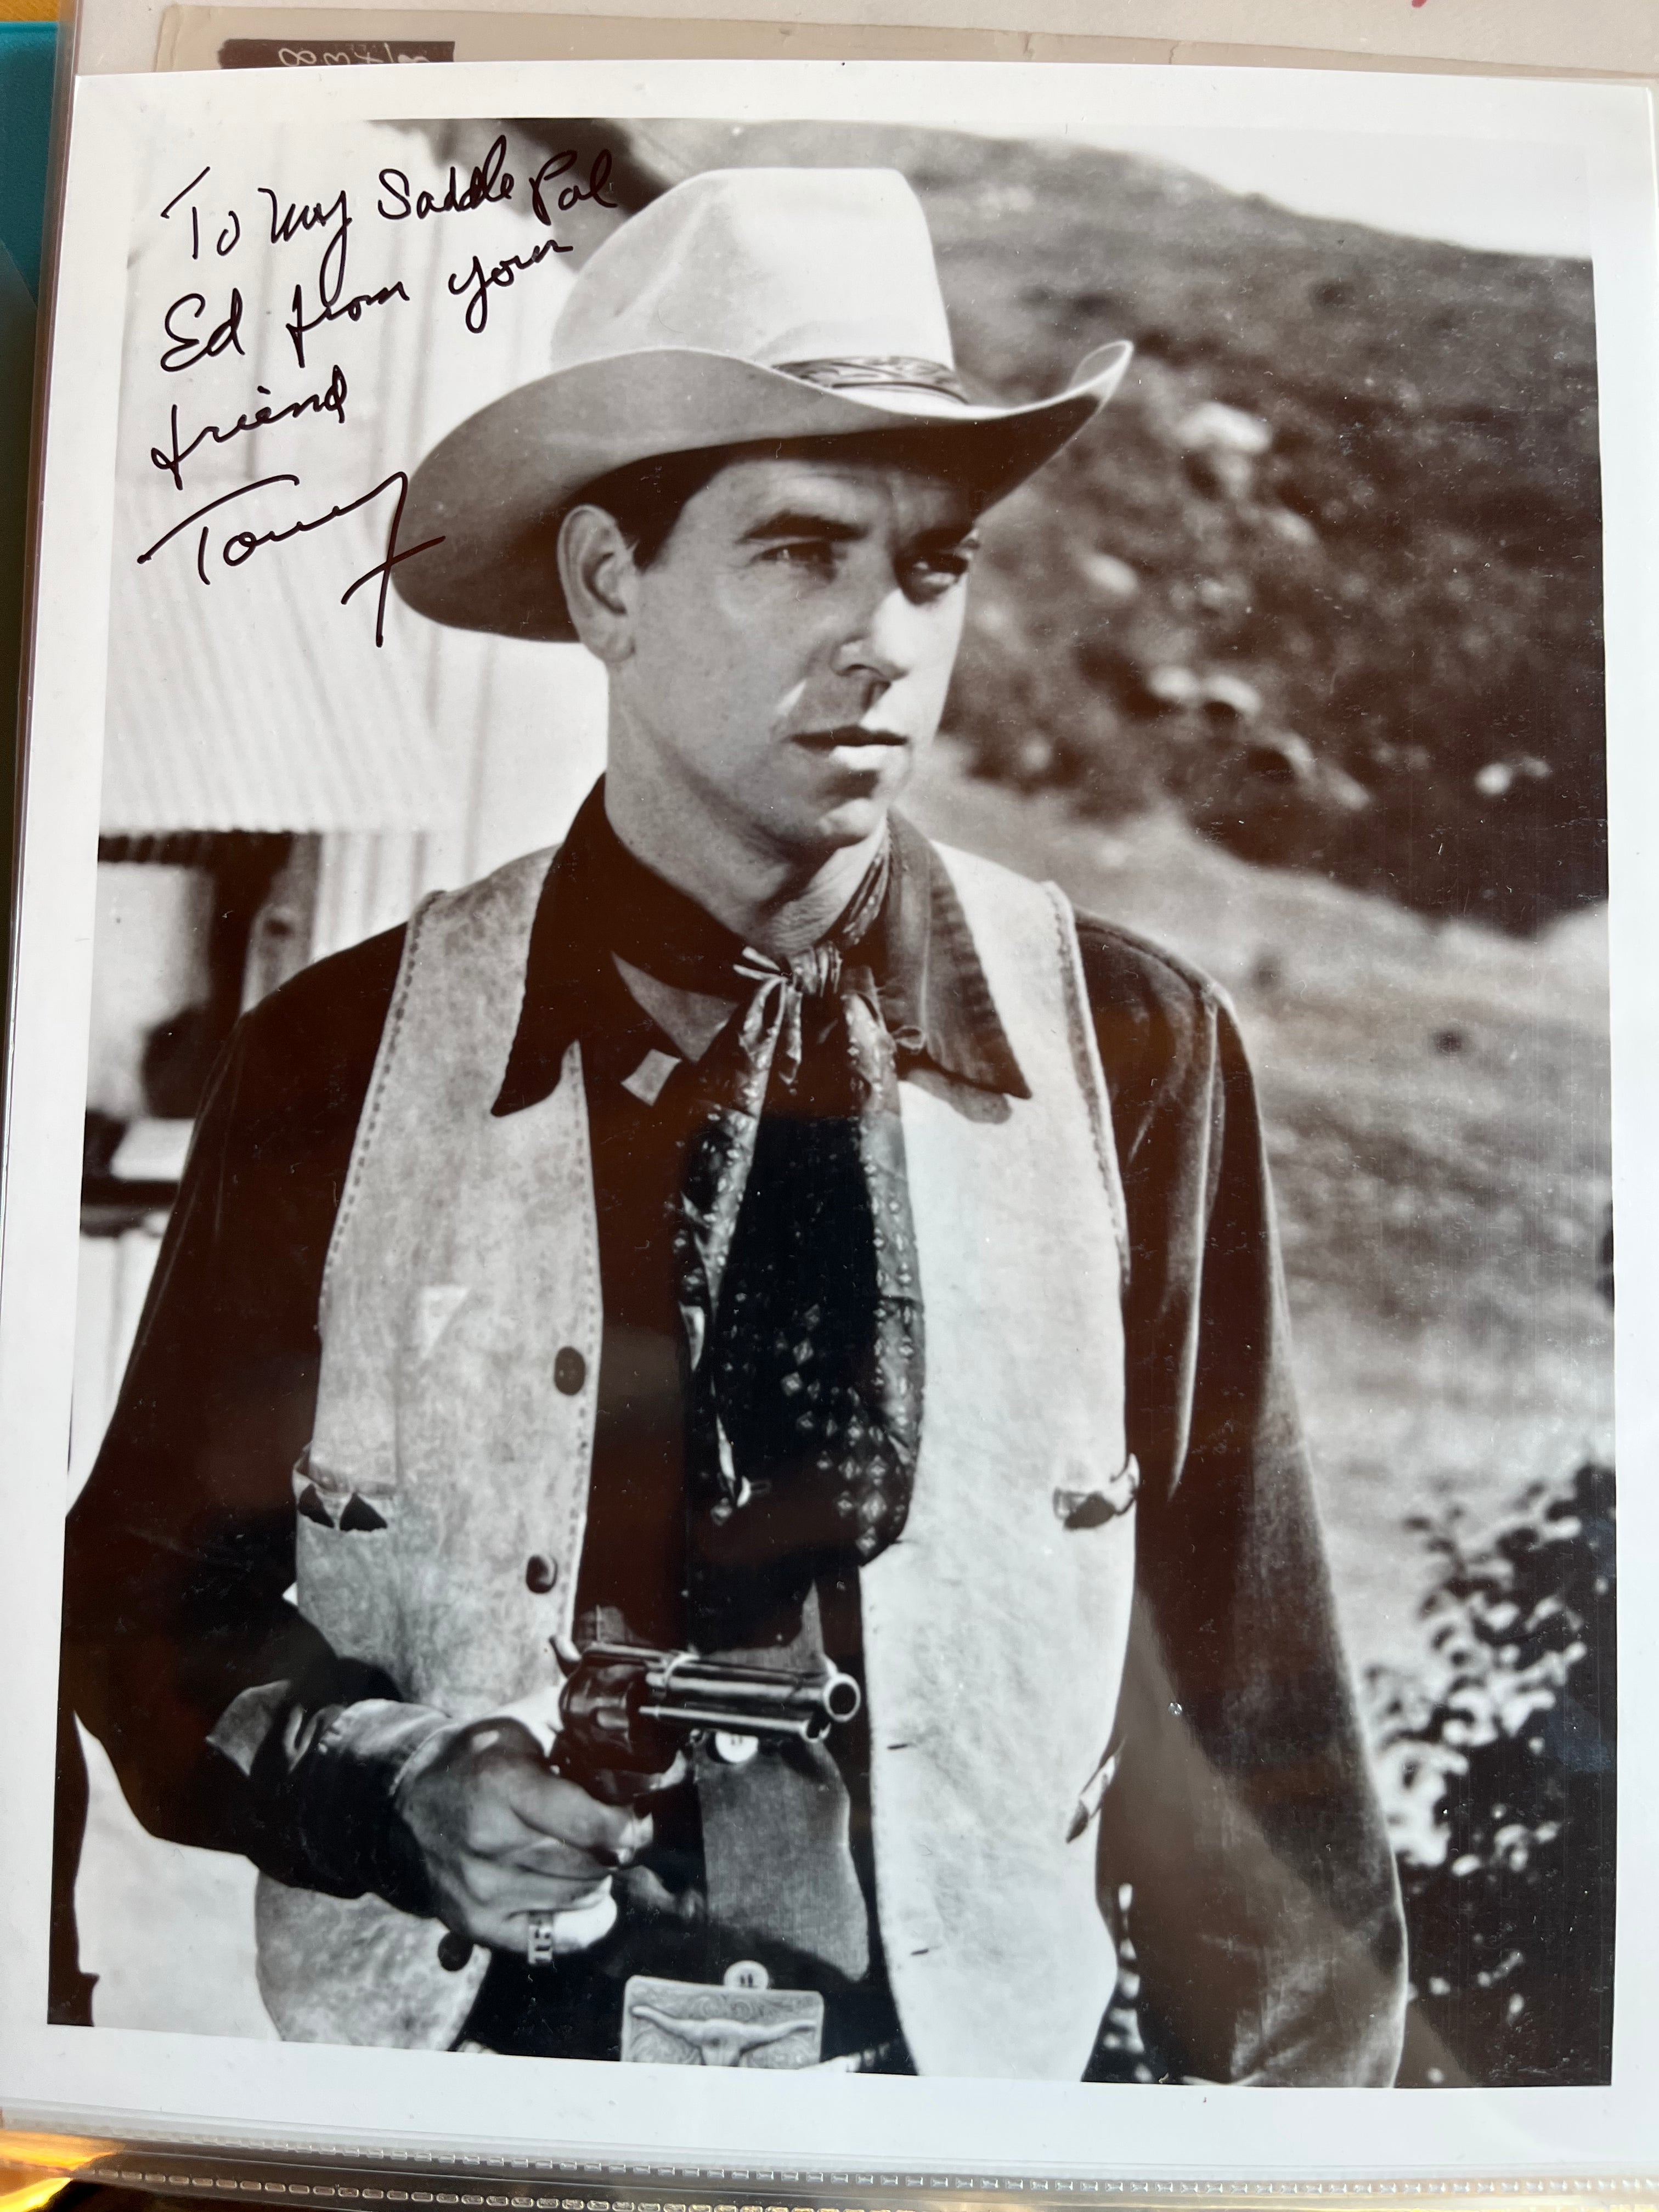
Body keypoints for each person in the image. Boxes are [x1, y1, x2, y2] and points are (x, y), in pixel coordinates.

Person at [60, 165, 1407, 2081]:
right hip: (467, 2125)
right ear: (611, 581)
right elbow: (138, 1604)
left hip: (948, 2137)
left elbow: (1265, 1742)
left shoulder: (1139, 1057)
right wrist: (387, 1777)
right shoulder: (336, 1063)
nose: (884, 639)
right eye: (797, 551)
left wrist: (1272, 2170)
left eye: (929, 566)